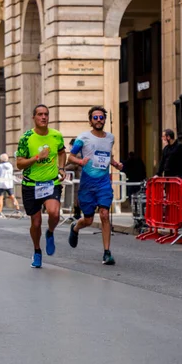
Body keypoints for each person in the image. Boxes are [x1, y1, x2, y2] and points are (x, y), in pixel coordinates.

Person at [67, 106, 123, 265]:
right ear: (90, 121)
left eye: (101, 117)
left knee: (105, 214)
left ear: (104, 119)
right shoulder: (83, 138)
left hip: (104, 183)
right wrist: (80, 161)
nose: (99, 120)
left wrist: (115, 164)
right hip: (88, 183)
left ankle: (107, 253)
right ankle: (75, 228)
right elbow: (70, 157)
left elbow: (106, 156)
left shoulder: (110, 137)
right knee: (89, 220)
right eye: (95, 118)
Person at [16, 104, 66, 268]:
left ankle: (50, 232)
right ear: (34, 118)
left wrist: (61, 168)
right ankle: (37, 250)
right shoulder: (26, 137)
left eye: (46, 114)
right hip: (31, 184)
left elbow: (61, 152)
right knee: (36, 222)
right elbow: (19, 163)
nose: (43, 117)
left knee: (54, 212)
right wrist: (37, 157)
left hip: (51, 182)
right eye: (40, 114)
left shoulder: (56, 135)